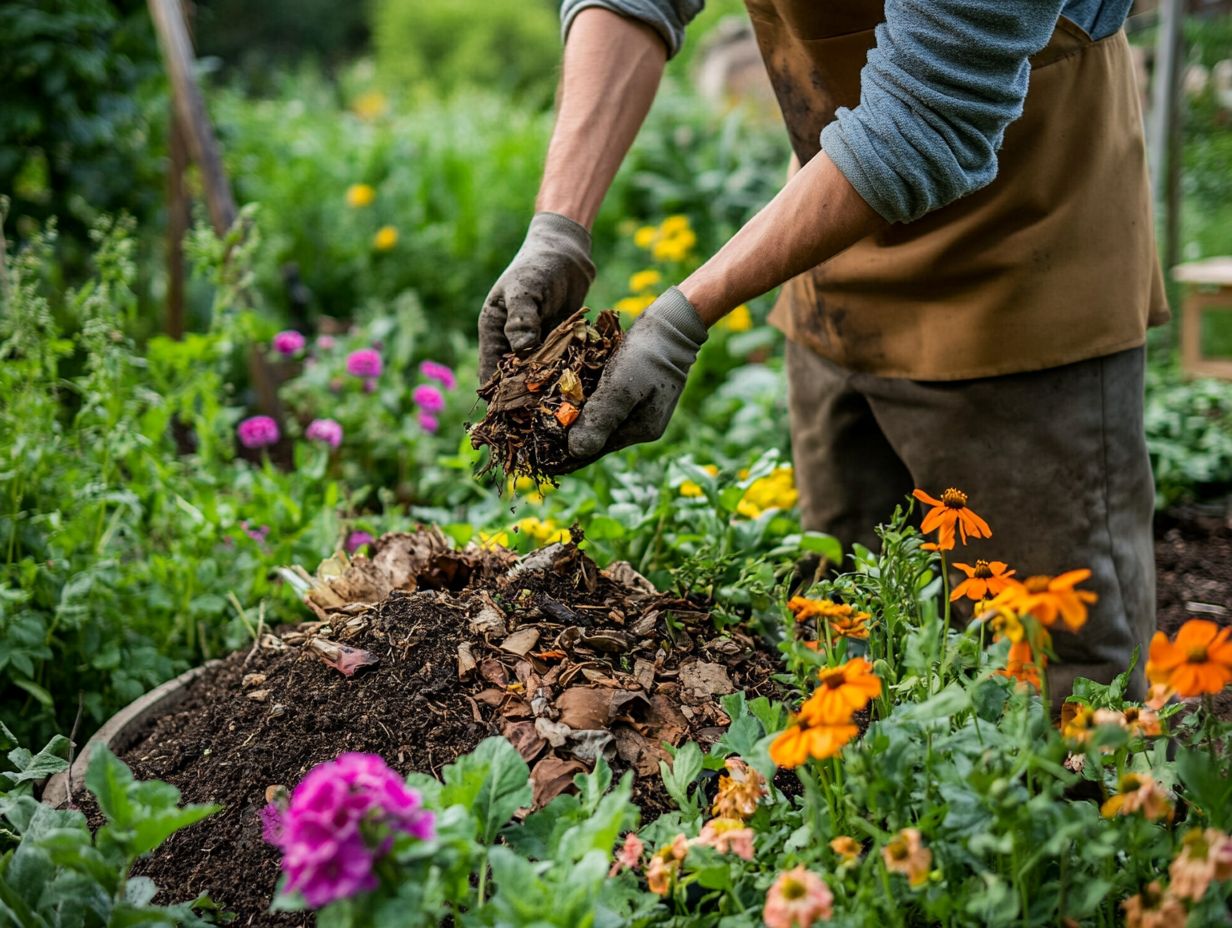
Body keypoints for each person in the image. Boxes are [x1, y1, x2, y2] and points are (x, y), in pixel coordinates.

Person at [478, 0, 1170, 700]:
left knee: (1059, 672)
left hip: (1024, 255)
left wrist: (685, 317)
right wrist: (558, 225)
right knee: (850, 633)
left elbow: (929, 116)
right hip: (829, 230)